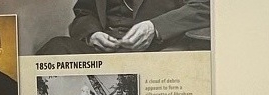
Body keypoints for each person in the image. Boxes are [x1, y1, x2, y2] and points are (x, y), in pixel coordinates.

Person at [35, 0, 211, 54]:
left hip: (157, 49)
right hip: (104, 52)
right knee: (56, 47)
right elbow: (85, 11)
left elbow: (204, 6)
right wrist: (92, 34)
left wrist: (154, 27)